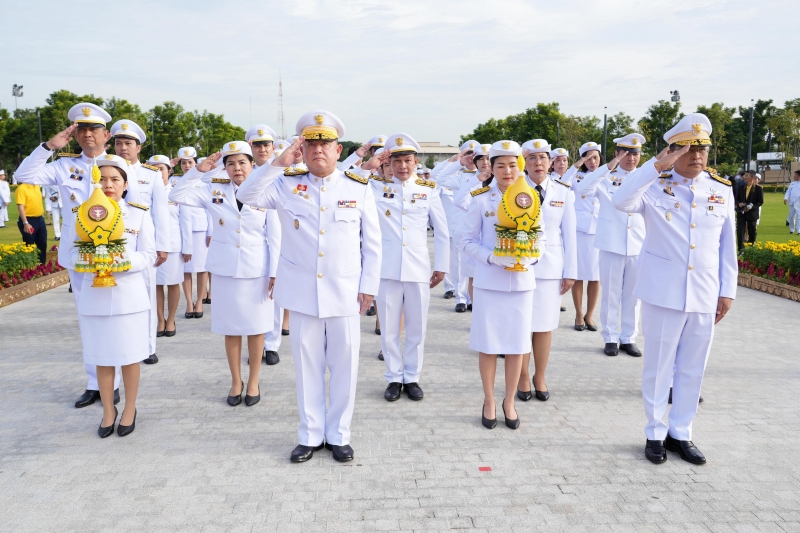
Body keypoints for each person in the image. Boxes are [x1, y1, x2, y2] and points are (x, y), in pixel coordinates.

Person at [236, 110, 381, 463]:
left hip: (346, 292)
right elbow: (246, 195)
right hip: (301, 293)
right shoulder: (284, 183)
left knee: (345, 368)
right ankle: (310, 434)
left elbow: (373, 242)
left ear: (338, 148)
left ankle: (339, 435)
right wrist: (275, 163)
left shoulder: (357, 187)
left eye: (325, 143)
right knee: (306, 367)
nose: (318, 149)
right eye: (311, 142)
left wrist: (370, 286)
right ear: (302, 147)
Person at [613, 113, 736, 465]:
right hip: (662, 293)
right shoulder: (653, 185)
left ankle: (681, 432)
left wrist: (727, 290)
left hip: (704, 291)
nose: (697, 155)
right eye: (688, 148)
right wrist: (655, 164)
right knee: (659, 366)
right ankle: (654, 432)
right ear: (672, 151)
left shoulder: (719, 189)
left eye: (702, 148)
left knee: (693, 367)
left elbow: (728, 246)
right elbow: (620, 201)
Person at [14, 102, 122, 408]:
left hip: (114, 255)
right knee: (87, 319)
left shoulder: (118, 167)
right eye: (82, 129)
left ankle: (114, 382)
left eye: (94, 129)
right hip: (79, 256)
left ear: (106, 135)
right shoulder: (64, 166)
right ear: (75, 135)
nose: (88, 135)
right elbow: (25, 175)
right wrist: (49, 146)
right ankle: (94, 382)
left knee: (113, 318)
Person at [171, 141, 273, 407]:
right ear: (224, 167)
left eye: (242, 162)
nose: (236, 168)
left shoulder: (267, 191)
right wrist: (197, 172)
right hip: (226, 270)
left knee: (256, 328)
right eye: (230, 163)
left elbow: (275, 235)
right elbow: (177, 196)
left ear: (252, 165)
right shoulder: (213, 189)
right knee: (231, 329)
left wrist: (275, 272)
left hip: (257, 270)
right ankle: (236, 381)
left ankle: (253, 381)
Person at [71, 155, 156, 437]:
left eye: (115, 179)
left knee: (130, 356)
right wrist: (89, 258)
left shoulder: (138, 213)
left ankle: (130, 407)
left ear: (125, 184)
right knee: (102, 357)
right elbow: (66, 255)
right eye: (102, 178)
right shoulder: (80, 213)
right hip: (94, 298)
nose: (108, 184)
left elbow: (150, 255)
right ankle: (109, 410)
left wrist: (123, 261)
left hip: (128, 297)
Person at [462, 140, 537, 430]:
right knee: (488, 345)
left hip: (521, 282)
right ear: (490, 168)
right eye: (500, 165)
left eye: (512, 164)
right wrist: (492, 257)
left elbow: (540, 238)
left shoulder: (530, 196)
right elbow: (466, 240)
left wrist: (531, 257)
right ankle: (489, 399)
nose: (507, 170)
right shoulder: (481, 199)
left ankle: (509, 401)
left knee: (517, 345)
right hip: (489, 282)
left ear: (520, 166)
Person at [371, 133, 449, 402]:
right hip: (386, 269)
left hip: (418, 270)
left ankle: (412, 376)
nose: (403, 166)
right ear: (388, 164)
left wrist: (442, 265)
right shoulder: (375, 189)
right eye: (397, 161)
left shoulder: (428, 191)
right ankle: (393, 377)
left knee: (417, 327)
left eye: (407, 160)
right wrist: (370, 161)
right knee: (389, 328)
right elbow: (350, 177)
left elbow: (442, 231)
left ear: (416, 162)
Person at [573, 134, 647, 357]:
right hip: (612, 243)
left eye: (635, 154)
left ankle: (628, 337)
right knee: (611, 294)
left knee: (634, 295)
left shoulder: (647, 177)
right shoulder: (605, 177)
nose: (631, 158)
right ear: (616, 154)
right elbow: (583, 189)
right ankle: (611, 337)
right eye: (625, 153)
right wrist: (608, 167)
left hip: (638, 242)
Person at [517, 139, 577, 402]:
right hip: (519, 266)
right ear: (525, 163)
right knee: (520, 325)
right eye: (532, 159)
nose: (538, 163)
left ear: (551, 162)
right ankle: (521, 377)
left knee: (544, 326)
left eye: (543, 158)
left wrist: (571, 270)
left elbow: (570, 235)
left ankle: (539, 375)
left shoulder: (564, 191)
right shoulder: (513, 189)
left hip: (551, 268)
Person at [110, 120, 171, 365]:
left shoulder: (151, 174)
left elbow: (161, 211)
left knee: (146, 293)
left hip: (144, 244)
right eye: (118, 143)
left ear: (138, 147)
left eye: (128, 143)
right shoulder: (106, 171)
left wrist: (162, 245)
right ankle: (119, 344)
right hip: (114, 244)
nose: (123, 148)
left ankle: (148, 346)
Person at [245, 123, 282, 366]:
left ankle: (272, 344)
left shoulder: (283, 171)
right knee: (254, 297)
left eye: (266, 144)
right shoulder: (242, 169)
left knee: (274, 294)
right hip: (252, 241)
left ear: (273, 146)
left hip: (281, 235)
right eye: (257, 145)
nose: (262, 149)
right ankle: (255, 342)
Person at [431, 140, 481, 312]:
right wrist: (457, 161)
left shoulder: (488, 176)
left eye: (475, 154)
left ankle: (473, 298)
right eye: (468, 154)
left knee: (478, 265)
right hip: (462, 226)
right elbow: (437, 177)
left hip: (482, 227)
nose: (472, 158)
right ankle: (461, 298)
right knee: (460, 264)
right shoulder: (460, 177)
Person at [562, 142, 602, 332]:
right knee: (577, 276)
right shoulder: (576, 176)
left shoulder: (606, 175)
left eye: (596, 157)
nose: (593, 161)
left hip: (599, 230)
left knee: (595, 277)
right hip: (579, 230)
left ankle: (590, 314)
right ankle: (578, 313)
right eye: (588, 158)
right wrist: (576, 165)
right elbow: (562, 182)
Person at [148, 155, 182, 341]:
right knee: (157, 285)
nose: (158, 172)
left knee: (173, 282)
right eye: (153, 168)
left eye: (161, 168)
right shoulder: (145, 193)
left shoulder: (176, 193)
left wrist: (188, 248)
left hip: (174, 246)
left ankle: (171, 319)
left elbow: (184, 221)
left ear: (170, 171)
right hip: (151, 245)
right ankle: (160, 320)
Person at [176, 147, 212, 319]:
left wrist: (211, 231)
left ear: (195, 163)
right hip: (181, 231)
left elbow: (211, 210)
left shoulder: (204, 183)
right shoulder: (176, 183)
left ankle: (199, 302)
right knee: (186, 269)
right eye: (184, 163)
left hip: (200, 230)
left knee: (202, 268)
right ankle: (189, 303)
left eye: (190, 162)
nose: (187, 166)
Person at [15, 183, 48, 264]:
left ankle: (42, 266)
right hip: (28, 220)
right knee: (29, 245)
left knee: (42, 244)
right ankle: (29, 268)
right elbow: (20, 206)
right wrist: (25, 222)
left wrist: (41, 215)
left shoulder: (37, 186)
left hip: (40, 219)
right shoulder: (21, 188)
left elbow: (38, 202)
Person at [735, 170, 763, 250]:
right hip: (741, 212)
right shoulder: (740, 187)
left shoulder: (758, 189)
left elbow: (760, 201)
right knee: (740, 231)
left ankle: (751, 247)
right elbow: (736, 198)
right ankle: (741, 248)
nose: (744, 177)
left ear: (752, 177)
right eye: (744, 175)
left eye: (747, 176)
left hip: (752, 213)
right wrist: (739, 203)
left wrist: (751, 207)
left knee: (752, 231)